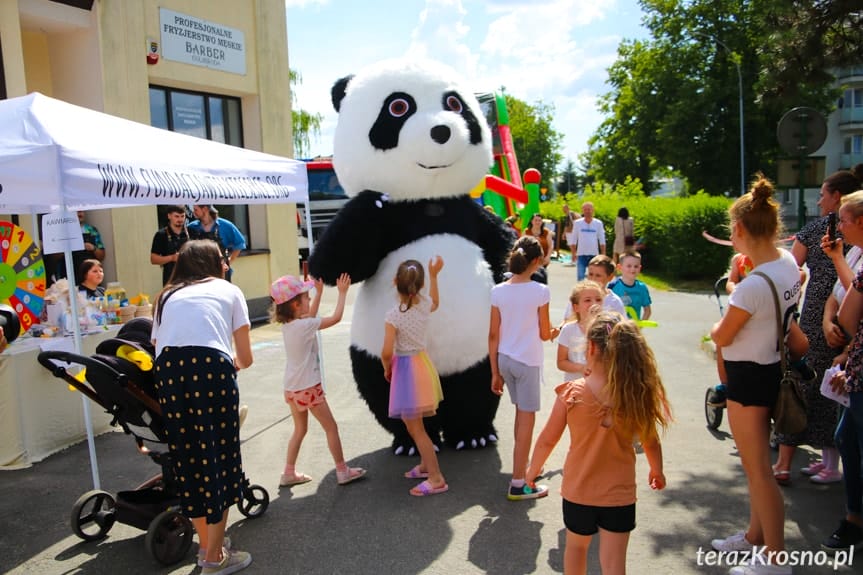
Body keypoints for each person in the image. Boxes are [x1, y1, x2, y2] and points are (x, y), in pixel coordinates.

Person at [710, 174, 809, 575]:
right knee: (757, 471)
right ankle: (755, 537)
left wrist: (720, 319)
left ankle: (775, 560)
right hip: (771, 368)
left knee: (758, 473)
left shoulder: (750, 286)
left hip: (748, 378)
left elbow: (722, 334)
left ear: (738, 231)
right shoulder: (786, 264)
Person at [526, 311, 670, 575]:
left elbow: (548, 439)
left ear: (590, 347)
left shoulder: (572, 393)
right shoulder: (635, 393)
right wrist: (656, 470)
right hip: (620, 494)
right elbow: (651, 440)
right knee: (614, 563)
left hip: (579, 492)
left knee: (577, 549)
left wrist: (532, 472)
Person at [151, 239, 254, 574]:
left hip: (167, 371)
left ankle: (208, 547)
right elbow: (246, 357)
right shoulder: (228, 289)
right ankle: (212, 558)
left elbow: (157, 344)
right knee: (220, 457)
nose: (226, 264)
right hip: (210, 365)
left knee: (190, 458)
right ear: (212, 263)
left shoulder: (165, 295)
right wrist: (230, 364)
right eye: (223, 259)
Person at [773, 165, 862, 486]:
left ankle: (788, 461)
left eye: (824, 194)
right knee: (829, 386)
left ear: (837, 197)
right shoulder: (845, 240)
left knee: (806, 382)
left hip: (823, 318)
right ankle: (828, 461)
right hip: (829, 316)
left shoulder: (821, 232)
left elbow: (791, 267)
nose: (820, 200)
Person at [271, 273, 367, 488]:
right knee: (331, 427)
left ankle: (288, 472)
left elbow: (310, 319)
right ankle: (342, 471)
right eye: (306, 297)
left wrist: (319, 294)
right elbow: (335, 318)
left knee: (300, 430)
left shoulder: (291, 325)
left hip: (292, 388)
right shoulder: (303, 326)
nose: (308, 300)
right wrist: (342, 293)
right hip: (308, 387)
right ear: (296, 305)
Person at [489, 236, 560, 501]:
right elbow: (544, 333)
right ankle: (519, 482)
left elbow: (493, 335)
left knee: (521, 418)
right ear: (536, 261)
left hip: (505, 360)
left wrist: (494, 371)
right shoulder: (541, 291)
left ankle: (521, 470)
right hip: (527, 362)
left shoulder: (498, 290)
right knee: (526, 423)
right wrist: (558, 330)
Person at [381, 257, 447, 496]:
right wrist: (435, 275)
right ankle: (425, 465)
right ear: (419, 286)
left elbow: (387, 351)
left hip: (406, 370)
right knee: (416, 424)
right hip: (422, 365)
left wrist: (386, 366)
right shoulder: (423, 305)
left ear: (395, 281)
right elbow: (436, 302)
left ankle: (436, 477)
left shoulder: (393, 316)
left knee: (416, 428)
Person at [821, 189, 863, 552]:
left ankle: (855, 520)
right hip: (856, 360)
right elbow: (844, 295)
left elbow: (852, 312)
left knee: (853, 438)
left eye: (844, 219)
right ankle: (854, 516)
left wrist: (849, 349)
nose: (840, 224)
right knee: (846, 436)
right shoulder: (854, 251)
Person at [557, 280, 603, 382]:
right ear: (576, 307)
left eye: (598, 299)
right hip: (575, 388)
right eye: (587, 300)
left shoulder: (608, 329)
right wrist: (581, 368)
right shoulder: (568, 330)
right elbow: (561, 362)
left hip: (599, 388)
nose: (594, 304)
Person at [187, 205, 247, 282]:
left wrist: (229, 260)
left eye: (196, 210)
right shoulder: (192, 227)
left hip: (221, 272)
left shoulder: (225, 225)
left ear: (205, 209)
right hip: (201, 272)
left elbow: (240, 243)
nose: (193, 212)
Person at [52, 210, 105, 284]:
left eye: (82, 211)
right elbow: (54, 256)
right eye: (76, 211)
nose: (80, 213)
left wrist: (93, 248)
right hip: (70, 277)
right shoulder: (63, 231)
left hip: (90, 278)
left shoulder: (92, 230)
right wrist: (67, 248)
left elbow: (102, 256)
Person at [150, 205, 190, 285]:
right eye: (176, 216)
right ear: (169, 216)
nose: (180, 219)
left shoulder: (191, 232)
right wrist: (172, 258)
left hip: (189, 278)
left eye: (182, 216)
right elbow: (153, 259)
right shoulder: (161, 235)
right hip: (170, 279)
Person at [608, 252, 652, 321]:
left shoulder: (642, 288)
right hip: (616, 328)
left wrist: (639, 327)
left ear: (640, 268)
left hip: (633, 328)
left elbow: (647, 311)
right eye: (629, 266)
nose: (633, 269)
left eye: (636, 266)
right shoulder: (613, 286)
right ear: (620, 267)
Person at [571, 202, 606, 281]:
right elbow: (574, 239)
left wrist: (603, 254)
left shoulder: (598, 223)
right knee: (580, 277)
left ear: (593, 210)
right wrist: (573, 253)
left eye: (589, 209)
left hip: (594, 255)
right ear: (582, 211)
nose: (587, 211)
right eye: (585, 209)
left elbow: (602, 239)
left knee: (594, 277)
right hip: (581, 254)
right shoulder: (577, 223)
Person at [523, 213, 552, 283]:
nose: (537, 222)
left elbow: (550, 246)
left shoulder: (546, 232)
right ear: (531, 221)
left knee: (541, 278)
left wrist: (548, 257)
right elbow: (521, 245)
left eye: (539, 220)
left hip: (542, 261)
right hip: (529, 261)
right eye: (535, 220)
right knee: (529, 279)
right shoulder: (526, 231)